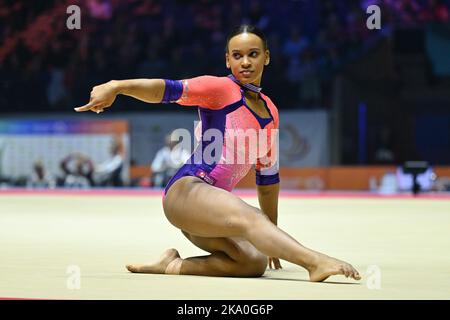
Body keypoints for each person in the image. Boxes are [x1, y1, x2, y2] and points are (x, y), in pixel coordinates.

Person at [74, 25, 361, 282]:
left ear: (267, 57)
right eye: (237, 55)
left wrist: (273, 237)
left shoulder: (271, 112)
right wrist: (117, 87)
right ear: (227, 60)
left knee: (252, 262)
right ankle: (316, 263)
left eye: (253, 54)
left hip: (210, 214)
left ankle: (172, 266)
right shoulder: (220, 89)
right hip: (188, 192)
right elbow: (165, 89)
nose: (245, 62)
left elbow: (268, 180)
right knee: (251, 217)